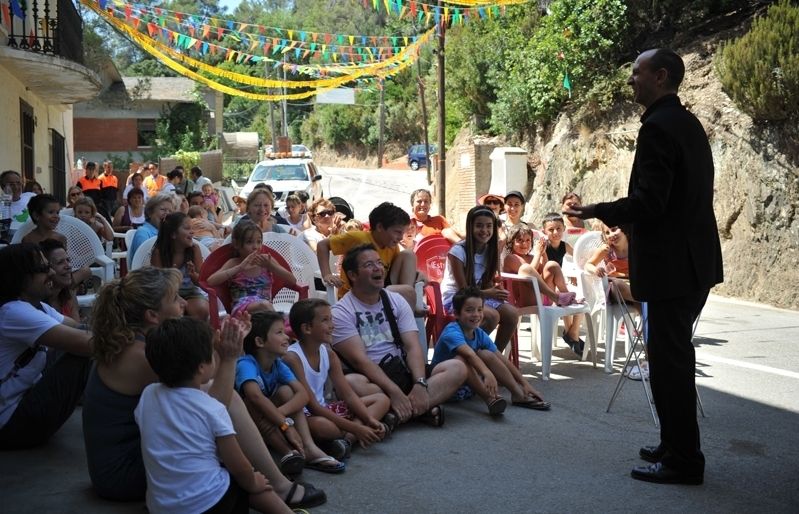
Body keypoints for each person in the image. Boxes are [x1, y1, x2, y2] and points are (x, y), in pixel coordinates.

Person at [564, 48, 723, 485]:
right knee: (671, 359)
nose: (631, 79)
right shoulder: (687, 123)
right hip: (693, 263)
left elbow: (650, 203)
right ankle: (672, 444)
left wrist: (596, 210)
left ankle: (683, 460)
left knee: (670, 364)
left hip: (672, 268)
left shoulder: (658, 127)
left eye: (638, 72)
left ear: (661, 76)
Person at [82, 267, 326, 508]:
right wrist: (229, 357)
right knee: (231, 405)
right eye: (175, 298)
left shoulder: (139, 342)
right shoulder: (143, 357)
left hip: (129, 461)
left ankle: (275, 478)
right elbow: (212, 408)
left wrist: (227, 347)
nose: (183, 303)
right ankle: (278, 486)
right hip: (122, 474)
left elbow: (205, 384)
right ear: (152, 315)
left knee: (225, 399)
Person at [135, 317, 290, 513]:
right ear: (202, 367)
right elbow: (239, 465)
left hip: (161, 507)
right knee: (257, 486)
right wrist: (253, 481)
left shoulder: (148, 395)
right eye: (212, 352)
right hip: (210, 504)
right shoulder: (212, 408)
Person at [331, 245, 467, 427]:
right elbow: (360, 361)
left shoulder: (395, 300)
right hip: (372, 380)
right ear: (353, 275)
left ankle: (395, 414)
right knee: (350, 382)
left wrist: (420, 383)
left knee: (458, 367)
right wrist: (393, 391)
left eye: (379, 263)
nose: (378, 268)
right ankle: (420, 409)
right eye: (369, 265)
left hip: (403, 370)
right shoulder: (340, 312)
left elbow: (412, 346)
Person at [0, 243, 91, 449]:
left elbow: (79, 328)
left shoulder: (37, 306)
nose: (51, 273)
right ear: (20, 278)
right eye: (43, 269)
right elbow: (87, 343)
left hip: (27, 398)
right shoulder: (13, 312)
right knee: (84, 354)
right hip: (11, 424)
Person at [236, 311, 348, 475]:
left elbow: (303, 394)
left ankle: (308, 447)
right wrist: (285, 425)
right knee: (251, 403)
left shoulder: (278, 364)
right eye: (279, 332)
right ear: (259, 341)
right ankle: (288, 452)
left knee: (286, 391)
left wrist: (279, 415)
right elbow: (255, 396)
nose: (286, 337)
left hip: (272, 420)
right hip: (249, 426)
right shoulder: (246, 364)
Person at [285, 299, 391, 452]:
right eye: (325, 320)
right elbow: (312, 406)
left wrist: (368, 419)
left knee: (381, 399)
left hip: (325, 409)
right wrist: (356, 427)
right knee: (324, 427)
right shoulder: (293, 358)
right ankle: (356, 433)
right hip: (306, 416)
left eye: (331, 319)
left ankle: (348, 440)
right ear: (307, 328)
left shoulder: (329, 354)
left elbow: (347, 394)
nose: (332, 325)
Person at [430, 287, 550, 413]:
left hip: (469, 388)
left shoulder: (478, 333)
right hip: (446, 386)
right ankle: (489, 399)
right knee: (462, 359)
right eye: (469, 310)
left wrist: (524, 383)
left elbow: (501, 358)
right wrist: (487, 373)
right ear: (456, 314)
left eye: (479, 309)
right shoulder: (452, 331)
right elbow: (469, 355)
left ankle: (518, 394)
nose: (476, 314)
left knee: (486, 354)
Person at [440, 205, 519, 352]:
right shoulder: (458, 251)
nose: (484, 230)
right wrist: (489, 293)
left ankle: (493, 355)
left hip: (478, 294)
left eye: (489, 226)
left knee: (512, 314)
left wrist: (496, 290)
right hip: (456, 297)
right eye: (479, 226)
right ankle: (470, 353)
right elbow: (463, 290)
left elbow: (486, 283)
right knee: (491, 316)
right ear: (470, 227)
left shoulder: (491, 250)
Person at [318, 202, 419, 312]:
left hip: (378, 291)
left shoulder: (392, 246)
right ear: (380, 227)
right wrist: (326, 274)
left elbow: (398, 268)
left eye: (402, 233)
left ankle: (407, 302)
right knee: (395, 290)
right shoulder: (358, 238)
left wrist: (417, 274)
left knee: (408, 254)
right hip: (354, 295)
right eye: (397, 232)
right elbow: (322, 245)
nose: (400, 237)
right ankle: (408, 306)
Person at [207, 221, 296, 316]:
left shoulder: (266, 260)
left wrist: (271, 266)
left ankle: (275, 322)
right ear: (236, 244)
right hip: (242, 311)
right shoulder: (234, 263)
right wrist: (239, 268)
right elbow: (211, 281)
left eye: (259, 242)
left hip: (265, 311)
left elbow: (292, 280)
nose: (255, 247)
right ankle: (276, 322)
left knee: (269, 308)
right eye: (249, 242)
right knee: (265, 306)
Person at [151, 212, 209, 320]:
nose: (192, 232)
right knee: (173, 311)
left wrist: (194, 276)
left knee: (202, 309)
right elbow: (157, 285)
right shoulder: (159, 254)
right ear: (173, 234)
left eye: (192, 228)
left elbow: (202, 282)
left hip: (191, 293)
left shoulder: (194, 250)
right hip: (168, 294)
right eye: (187, 228)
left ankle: (194, 330)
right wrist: (171, 278)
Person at [39, 239, 90, 323]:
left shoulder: (68, 294)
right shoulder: (38, 303)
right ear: (46, 268)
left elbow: (77, 326)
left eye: (68, 260)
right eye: (60, 262)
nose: (68, 266)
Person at [127, 193, 173, 264]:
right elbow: (144, 261)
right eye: (163, 209)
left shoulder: (167, 233)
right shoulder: (143, 232)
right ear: (150, 213)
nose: (167, 214)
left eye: (170, 211)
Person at [1, 170, 36, 238]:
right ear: (3, 187)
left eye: (18, 183)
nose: (16, 187)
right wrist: (7, 198)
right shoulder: (2, 206)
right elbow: (4, 230)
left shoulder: (31, 196)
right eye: (11, 184)